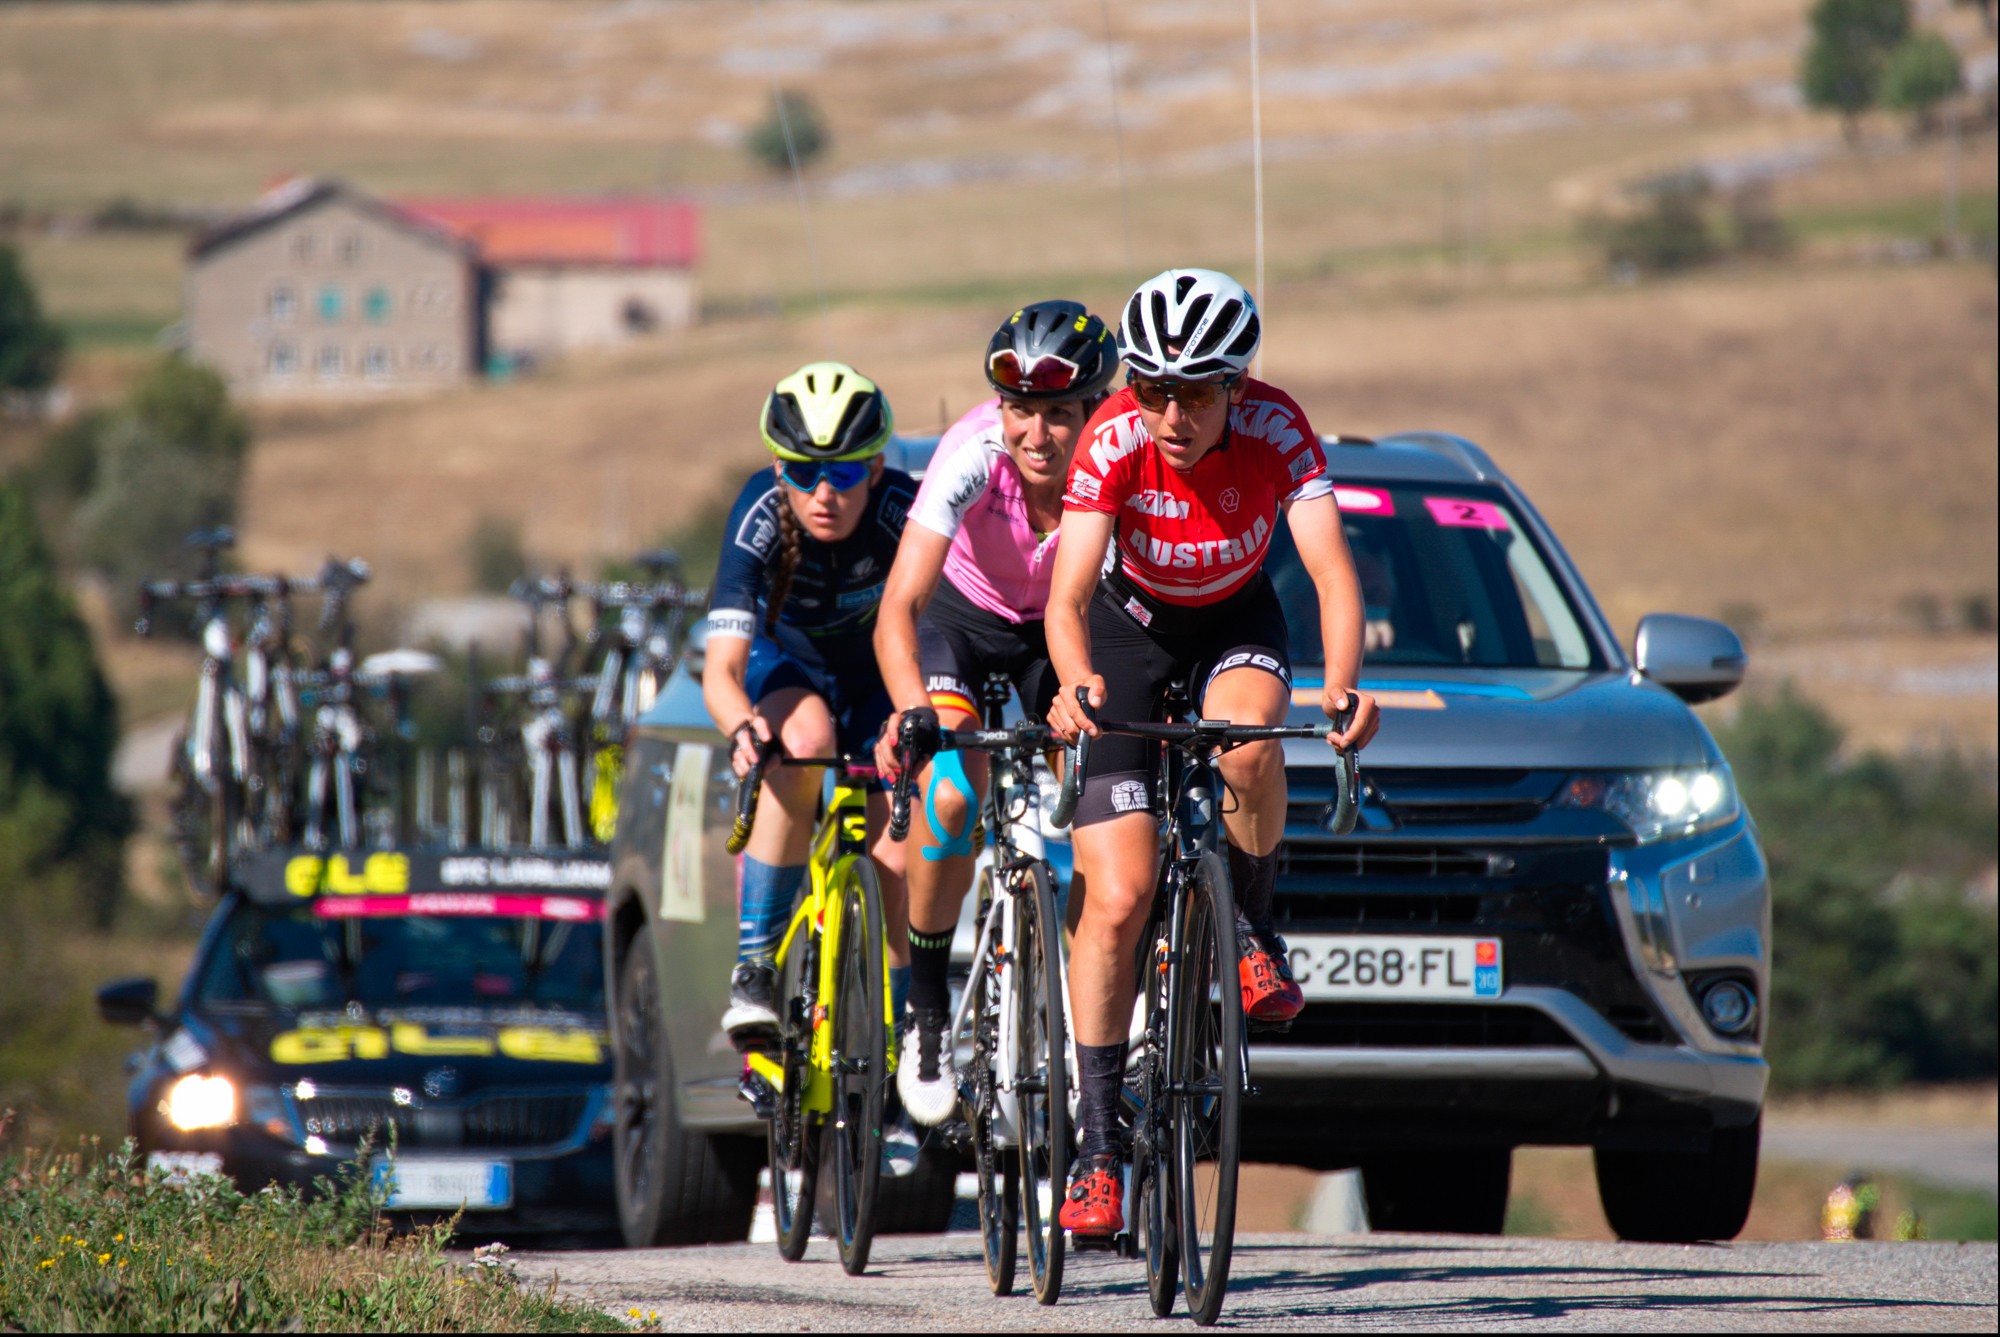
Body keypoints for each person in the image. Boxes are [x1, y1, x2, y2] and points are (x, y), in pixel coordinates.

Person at [1042, 269, 1381, 1235]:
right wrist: (1072, 684)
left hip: (1237, 618)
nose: (1171, 413)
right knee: (1115, 895)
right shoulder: (1112, 435)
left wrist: (1346, 685)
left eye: (1194, 393)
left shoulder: (1277, 429)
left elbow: (1329, 573)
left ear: (1236, 386)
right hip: (1126, 630)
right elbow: (1066, 598)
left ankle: (1254, 932)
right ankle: (1100, 1146)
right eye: (1153, 389)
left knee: (1247, 745)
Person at [872, 300, 1119, 1126]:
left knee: (1102, 812)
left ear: (1095, 410)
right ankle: (930, 1010)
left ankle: (1101, 1024)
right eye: (1021, 411)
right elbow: (900, 605)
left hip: (1064, 629)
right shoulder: (972, 451)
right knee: (948, 796)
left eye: (1057, 414)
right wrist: (912, 709)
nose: (1036, 434)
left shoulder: (1120, 454)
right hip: (963, 626)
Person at [701, 360, 918, 1081]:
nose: (824, 494)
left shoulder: (902, 512)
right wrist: (741, 728)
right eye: (802, 471)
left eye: (847, 474)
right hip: (785, 668)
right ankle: (756, 967)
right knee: (804, 741)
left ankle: (900, 1038)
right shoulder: (759, 512)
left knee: (892, 859)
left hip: (875, 671)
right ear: (777, 464)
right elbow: (721, 670)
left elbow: (947, 630)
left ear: (878, 466)